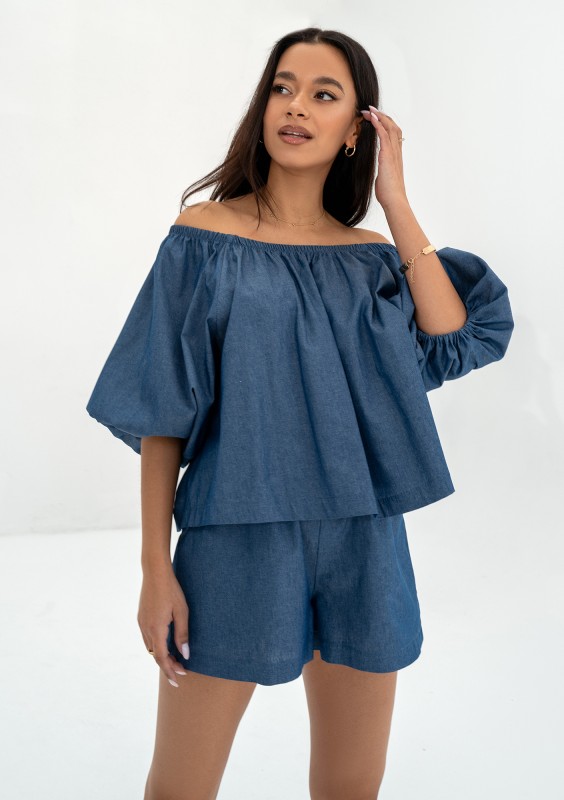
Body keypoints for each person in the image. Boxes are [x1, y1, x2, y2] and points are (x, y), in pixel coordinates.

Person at [85, 26, 514, 800]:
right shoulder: (203, 237)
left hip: (366, 543)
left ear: (356, 130)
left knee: (352, 786)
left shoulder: (370, 258)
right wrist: (155, 568)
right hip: (236, 538)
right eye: (283, 88)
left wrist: (396, 200)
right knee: (180, 788)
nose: (296, 106)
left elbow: (453, 339)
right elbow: (162, 410)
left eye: (324, 94)